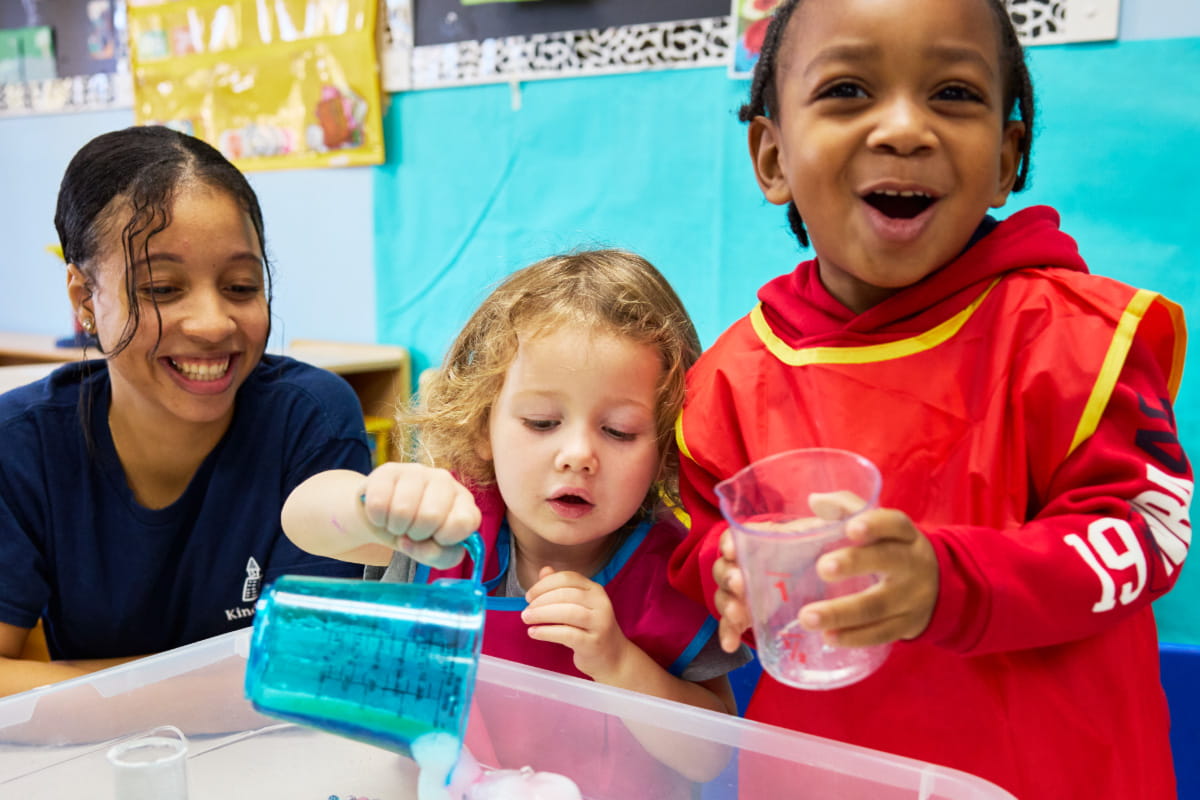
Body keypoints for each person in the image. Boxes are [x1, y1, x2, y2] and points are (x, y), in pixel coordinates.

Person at [667, 1, 1190, 798]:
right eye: (847, 89)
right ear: (772, 158)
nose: (906, 128)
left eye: (953, 94)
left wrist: (949, 584)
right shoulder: (730, 379)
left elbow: (1145, 535)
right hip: (815, 776)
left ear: (1010, 155)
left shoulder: (1074, 339)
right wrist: (724, 570)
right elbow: (693, 536)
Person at [282, 249, 750, 795]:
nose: (577, 454)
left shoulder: (672, 571)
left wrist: (619, 662)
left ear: (667, 449)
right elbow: (302, 520)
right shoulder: (445, 529)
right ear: (483, 425)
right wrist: (372, 501)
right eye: (542, 422)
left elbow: (713, 756)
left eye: (619, 431)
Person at [0, 126, 370, 697]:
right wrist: (229, 680)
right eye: (164, 288)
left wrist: (82, 694)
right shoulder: (20, 445)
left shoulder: (310, 419)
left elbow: (308, 668)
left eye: (241, 286)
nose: (213, 323)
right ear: (84, 300)